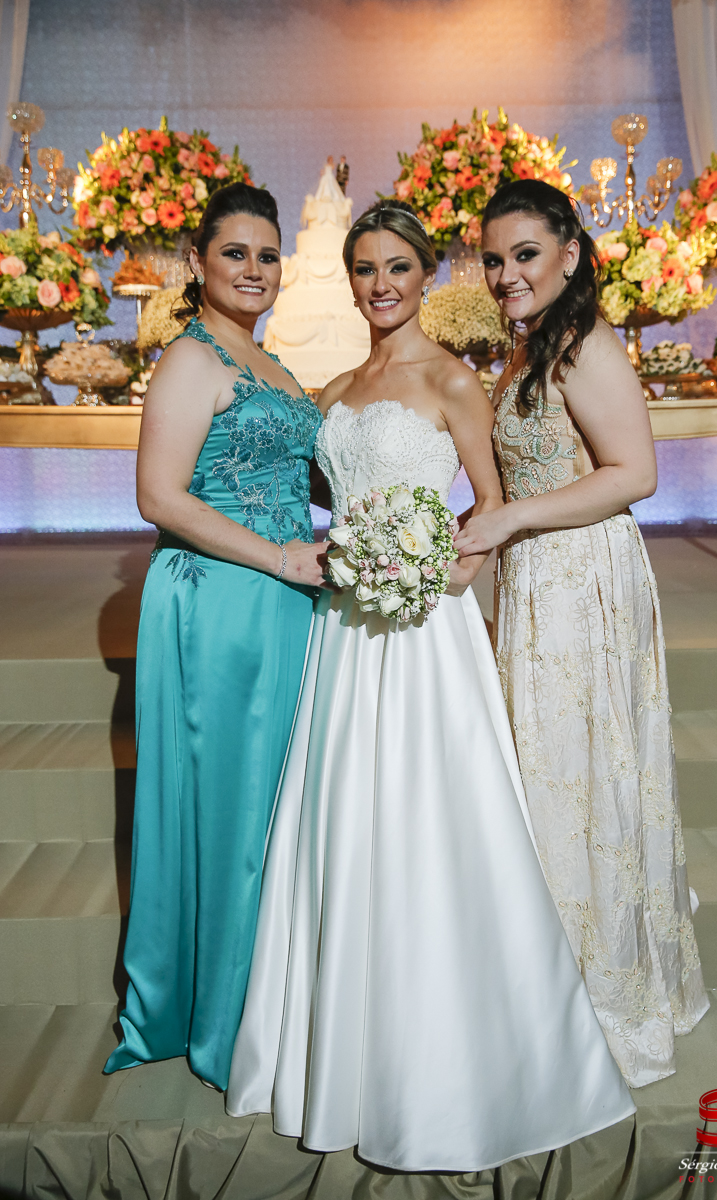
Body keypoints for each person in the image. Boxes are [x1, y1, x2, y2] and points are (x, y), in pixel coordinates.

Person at [226, 200, 635, 1171]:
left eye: (398, 268)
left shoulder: (454, 381)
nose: (380, 286)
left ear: (425, 276)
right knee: (343, 817)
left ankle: (459, 1052)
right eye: (364, 269)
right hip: (343, 633)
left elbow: (489, 511)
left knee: (428, 818)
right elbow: (318, 496)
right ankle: (337, 1044)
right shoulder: (333, 391)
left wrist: (427, 574)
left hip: (420, 630)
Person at [454, 179, 709, 1088]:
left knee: (578, 773)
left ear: (570, 253)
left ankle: (599, 1004)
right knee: (547, 771)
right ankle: (547, 991)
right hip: (537, 577)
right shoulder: (531, 344)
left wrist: (512, 520)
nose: (507, 274)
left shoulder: (587, 342)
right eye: (494, 259)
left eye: (525, 254)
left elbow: (634, 472)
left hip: (584, 579)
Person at [104, 183, 328, 1091]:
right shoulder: (191, 359)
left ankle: (267, 1001)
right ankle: (219, 1015)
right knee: (229, 807)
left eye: (268, 255)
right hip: (221, 601)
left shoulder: (273, 364)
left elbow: (307, 476)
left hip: (282, 600)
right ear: (197, 263)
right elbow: (159, 496)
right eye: (235, 252)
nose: (254, 269)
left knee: (270, 803)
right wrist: (280, 559)